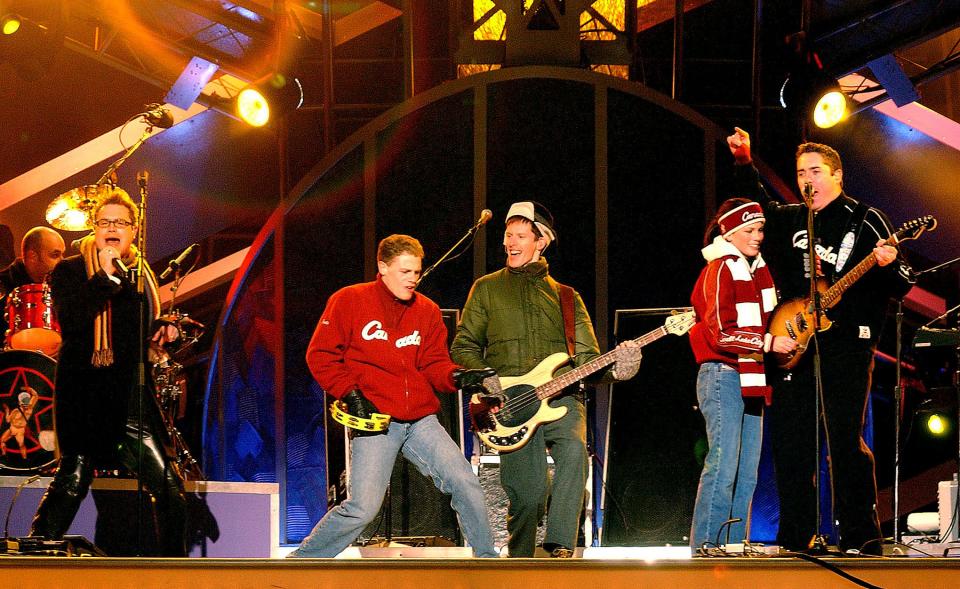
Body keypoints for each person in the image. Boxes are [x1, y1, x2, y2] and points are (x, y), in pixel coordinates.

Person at [727, 128, 914, 554]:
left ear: (837, 175)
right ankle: (797, 535)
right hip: (794, 343)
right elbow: (755, 201)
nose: (806, 179)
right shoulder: (792, 218)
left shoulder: (865, 220)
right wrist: (743, 160)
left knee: (845, 440)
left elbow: (903, 283)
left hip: (846, 346)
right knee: (793, 443)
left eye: (815, 170)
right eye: (800, 172)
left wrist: (885, 265)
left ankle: (861, 535)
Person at [450, 201, 643, 558]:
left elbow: (588, 359)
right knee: (529, 494)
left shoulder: (567, 297)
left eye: (521, 235)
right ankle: (520, 560)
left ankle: (560, 547)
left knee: (573, 451)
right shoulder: (487, 288)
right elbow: (463, 345)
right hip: (509, 404)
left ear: (541, 242)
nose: (511, 242)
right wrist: (485, 376)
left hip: (562, 398)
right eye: (508, 235)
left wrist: (619, 369)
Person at [288, 234, 497, 558]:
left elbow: (433, 363)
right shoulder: (349, 300)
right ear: (382, 267)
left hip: (421, 420)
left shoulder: (425, 310)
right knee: (363, 508)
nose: (412, 279)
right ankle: (302, 562)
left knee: (464, 481)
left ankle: (488, 562)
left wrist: (457, 376)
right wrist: (350, 393)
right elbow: (320, 355)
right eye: (405, 271)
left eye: (416, 271)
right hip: (376, 422)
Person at [29, 187, 188, 556]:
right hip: (84, 396)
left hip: (128, 401)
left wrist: (166, 330)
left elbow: (142, 338)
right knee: (72, 481)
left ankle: (175, 574)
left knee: (170, 490)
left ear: (133, 231)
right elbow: (72, 321)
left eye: (120, 222)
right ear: (94, 230)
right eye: (104, 222)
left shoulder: (140, 277)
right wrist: (104, 278)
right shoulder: (70, 270)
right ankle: (34, 556)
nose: (112, 228)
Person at [687, 198, 797, 553]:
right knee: (723, 461)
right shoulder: (719, 269)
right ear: (729, 233)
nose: (758, 236)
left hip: (751, 375)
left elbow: (770, 317)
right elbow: (719, 331)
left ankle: (732, 543)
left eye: (760, 229)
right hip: (722, 374)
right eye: (749, 230)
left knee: (747, 468)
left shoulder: (756, 272)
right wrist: (768, 341)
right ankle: (708, 542)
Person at [0, 226, 66, 339]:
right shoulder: (3, 282)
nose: (62, 261)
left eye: (62, 255)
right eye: (55, 255)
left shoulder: (60, 284)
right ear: (32, 256)